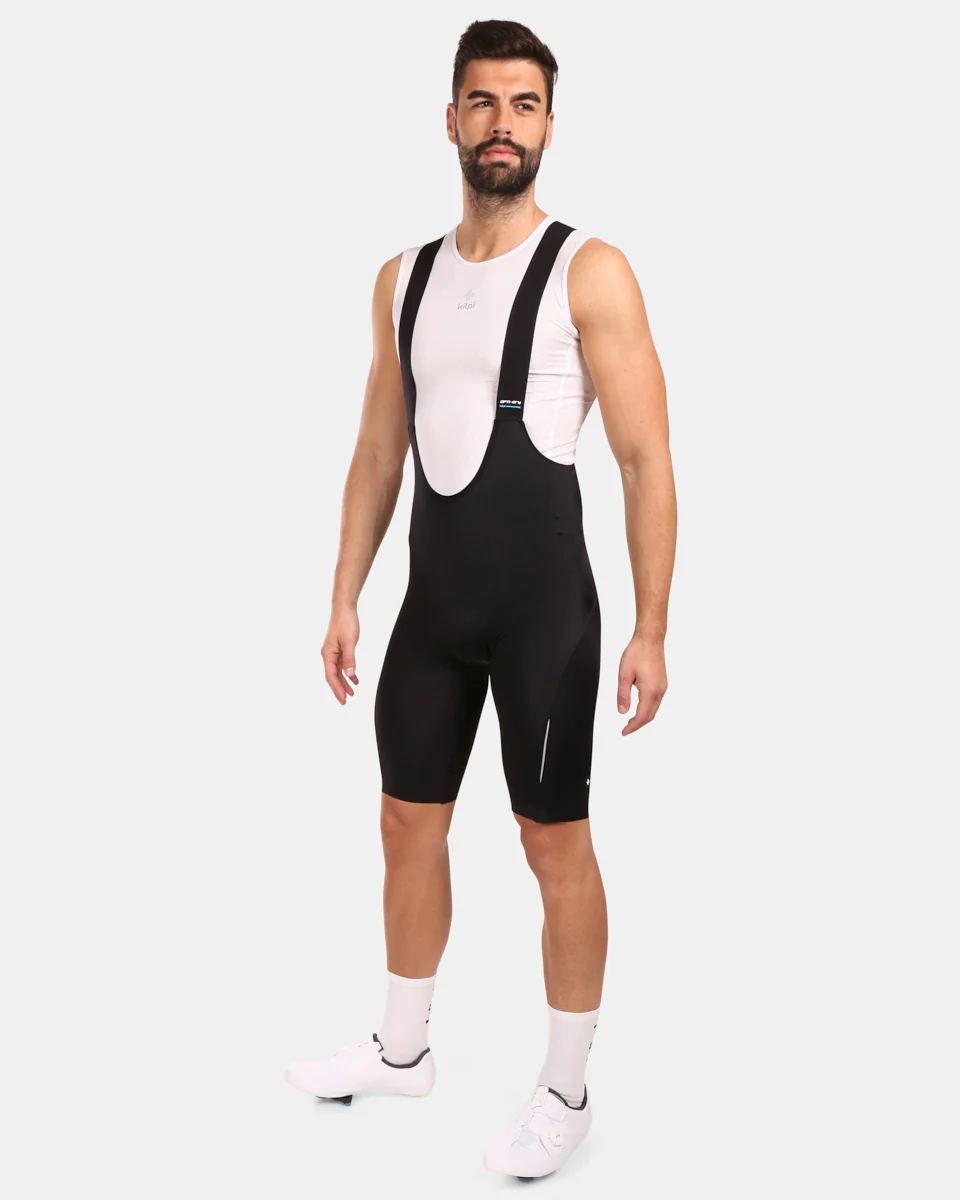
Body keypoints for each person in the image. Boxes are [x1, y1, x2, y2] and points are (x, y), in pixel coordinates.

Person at [285, 18, 676, 1181]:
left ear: (549, 124)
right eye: (483, 101)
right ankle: (402, 1051)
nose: (503, 123)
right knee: (405, 822)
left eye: (524, 103)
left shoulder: (590, 269)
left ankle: (567, 1089)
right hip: (433, 614)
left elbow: (646, 460)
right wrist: (345, 596)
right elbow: (377, 451)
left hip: (544, 613)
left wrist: (652, 628)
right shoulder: (402, 278)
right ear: (450, 118)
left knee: (553, 841)